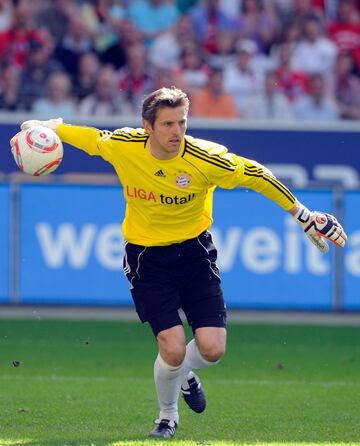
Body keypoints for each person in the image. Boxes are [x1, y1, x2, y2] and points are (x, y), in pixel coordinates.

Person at [11, 87, 347, 439]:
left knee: (213, 349)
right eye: (168, 124)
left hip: (195, 254)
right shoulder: (126, 146)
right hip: (146, 258)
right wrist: (52, 126)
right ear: (147, 126)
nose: (177, 131)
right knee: (171, 349)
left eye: (182, 122)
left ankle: (184, 372)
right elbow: (91, 138)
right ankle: (167, 416)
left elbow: (257, 175)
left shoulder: (205, 158)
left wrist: (303, 214)